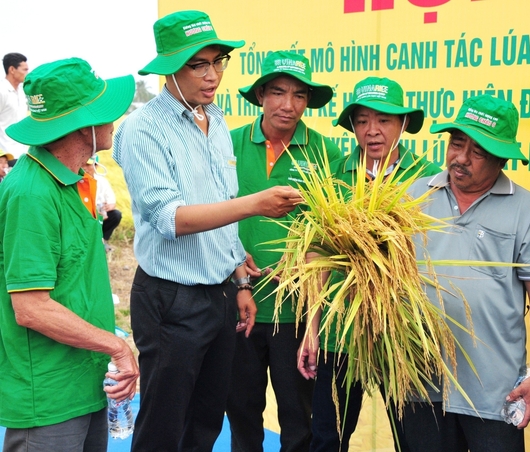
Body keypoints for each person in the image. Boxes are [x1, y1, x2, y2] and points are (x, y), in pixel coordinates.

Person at [113, 10, 304, 452]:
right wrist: (256, 204)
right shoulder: (144, 129)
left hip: (218, 293)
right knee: (164, 426)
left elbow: (220, 200)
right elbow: (171, 218)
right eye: (199, 65)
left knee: (205, 423)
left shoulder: (214, 118)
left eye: (218, 62)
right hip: (170, 298)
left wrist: (238, 276)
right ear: (170, 68)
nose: (213, 75)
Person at [403, 94, 530, 452]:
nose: (461, 158)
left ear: (502, 159)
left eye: (478, 151)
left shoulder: (527, 210)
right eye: (457, 144)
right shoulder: (414, 195)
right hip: (423, 382)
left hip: (494, 391)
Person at [0, 57, 139, 452]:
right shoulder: (32, 194)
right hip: (49, 397)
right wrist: (115, 346)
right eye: (106, 111)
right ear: (82, 124)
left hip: (84, 381)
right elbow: (31, 307)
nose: (115, 118)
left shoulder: (74, 180)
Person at [297, 76, 441, 452]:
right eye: (362, 121)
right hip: (339, 332)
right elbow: (316, 258)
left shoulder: (429, 180)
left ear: (404, 124)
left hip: (403, 330)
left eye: (384, 120)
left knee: (415, 440)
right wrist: (312, 329)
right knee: (328, 437)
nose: (372, 131)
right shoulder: (333, 179)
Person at [226, 50, 341, 452]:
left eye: (299, 95)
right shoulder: (226, 143)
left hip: (298, 312)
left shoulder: (328, 154)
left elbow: (333, 232)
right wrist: (234, 257)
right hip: (239, 303)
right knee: (241, 412)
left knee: (297, 419)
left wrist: (305, 260)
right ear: (260, 95)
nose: (288, 105)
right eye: (277, 92)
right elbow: (208, 213)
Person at [84, 156, 122, 250]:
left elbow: (111, 201)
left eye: (88, 165)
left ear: (96, 166)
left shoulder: (102, 181)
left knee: (116, 215)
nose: (84, 167)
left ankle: (102, 241)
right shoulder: (77, 180)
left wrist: (108, 207)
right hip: (86, 214)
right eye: (83, 164)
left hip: (101, 214)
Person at [0, 53, 28, 159]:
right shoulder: (2, 91)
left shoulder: (22, 91)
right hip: (6, 156)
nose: (27, 73)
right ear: (12, 69)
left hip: (23, 155)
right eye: (24, 70)